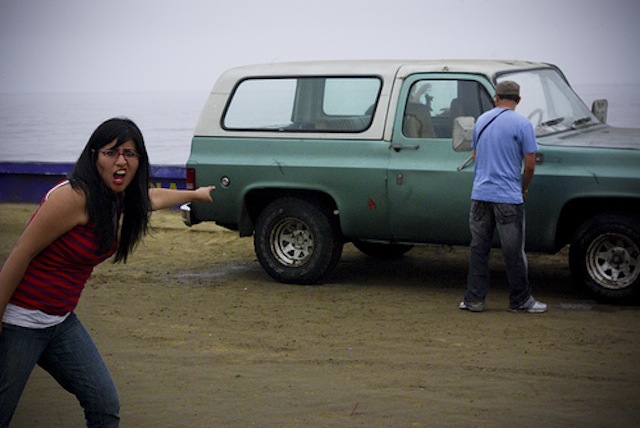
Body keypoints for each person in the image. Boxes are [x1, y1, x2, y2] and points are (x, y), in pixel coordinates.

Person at [0, 118, 215, 427]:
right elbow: (21, 254)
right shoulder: (72, 197)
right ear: (94, 156)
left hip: (60, 322)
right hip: (19, 321)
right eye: (112, 152)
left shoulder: (113, 198)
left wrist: (195, 195)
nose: (121, 160)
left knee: (104, 404)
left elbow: (151, 199)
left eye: (130, 153)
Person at [459, 81, 547, 314]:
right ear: (518, 100)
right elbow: (529, 166)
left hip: (480, 195)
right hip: (508, 197)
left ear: (496, 97)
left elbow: (476, 156)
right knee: (513, 252)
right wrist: (523, 189)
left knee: (479, 248)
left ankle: (474, 300)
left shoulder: (482, 121)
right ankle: (520, 301)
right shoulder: (523, 124)